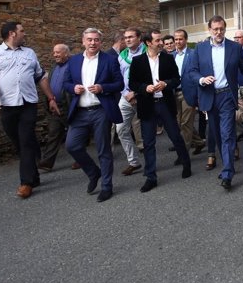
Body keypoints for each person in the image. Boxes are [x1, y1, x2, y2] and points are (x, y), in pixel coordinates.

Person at [0, 21, 60, 199]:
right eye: (22, 31)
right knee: (19, 142)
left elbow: (41, 77)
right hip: (7, 105)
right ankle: (34, 175)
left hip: (28, 104)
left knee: (25, 141)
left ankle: (26, 183)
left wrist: (51, 98)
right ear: (12, 34)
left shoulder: (30, 53)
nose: (25, 33)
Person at [187, 15, 243, 190]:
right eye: (215, 29)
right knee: (216, 134)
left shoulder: (234, 47)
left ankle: (228, 172)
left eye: (221, 29)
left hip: (227, 97)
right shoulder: (199, 49)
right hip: (209, 96)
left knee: (227, 134)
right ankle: (226, 165)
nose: (218, 32)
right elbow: (192, 71)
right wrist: (201, 79)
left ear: (225, 29)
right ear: (209, 30)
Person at [64, 28, 124, 203]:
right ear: (83, 41)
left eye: (96, 40)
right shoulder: (74, 61)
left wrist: (102, 88)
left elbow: (119, 83)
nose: (92, 43)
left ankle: (106, 187)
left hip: (100, 110)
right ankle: (93, 172)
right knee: (72, 146)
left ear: (100, 42)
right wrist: (73, 88)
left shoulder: (110, 60)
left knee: (103, 150)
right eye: (89, 39)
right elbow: (66, 83)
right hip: (80, 111)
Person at [129, 30, 192, 192]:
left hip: (165, 103)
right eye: (157, 41)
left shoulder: (168, 58)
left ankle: (186, 163)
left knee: (175, 136)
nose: (161, 43)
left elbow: (176, 79)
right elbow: (133, 84)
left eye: (161, 40)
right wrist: (145, 87)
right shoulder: (138, 61)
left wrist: (165, 84)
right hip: (147, 104)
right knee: (148, 142)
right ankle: (151, 177)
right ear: (148, 43)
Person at [38, 44, 79, 171]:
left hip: (69, 106)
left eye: (58, 52)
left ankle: (80, 159)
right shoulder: (54, 67)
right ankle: (47, 163)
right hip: (55, 106)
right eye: (54, 52)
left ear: (66, 53)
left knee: (75, 134)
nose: (55, 55)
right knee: (54, 133)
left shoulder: (74, 66)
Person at [116, 27, 146, 176]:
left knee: (147, 130)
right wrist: (126, 93)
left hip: (144, 96)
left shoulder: (147, 52)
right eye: (126, 37)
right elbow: (119, 77)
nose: (127, 39)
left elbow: (151, 76)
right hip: (125, 97)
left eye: (131, 37)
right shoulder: (122, 56)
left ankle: (151, 161)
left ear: (139, 38)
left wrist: (135, 93)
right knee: (121, 129)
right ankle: (133, 161)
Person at [172, 29, 205, 155]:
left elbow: (198, 73)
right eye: (176, 39)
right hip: (175, 93)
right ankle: (199, 142)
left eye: (180, 39)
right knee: (179, 123)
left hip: (189, 93)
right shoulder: (172, 56)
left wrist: (199, 95)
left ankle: (183, 154)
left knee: (185, 122)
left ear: (186, 40)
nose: (178, 41)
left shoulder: (193, 54)